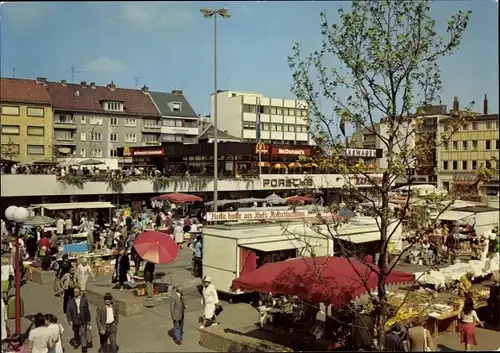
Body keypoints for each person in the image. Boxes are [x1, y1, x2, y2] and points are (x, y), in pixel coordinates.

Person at [66, 286, 91, 352]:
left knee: (83, 333)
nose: (75, 293)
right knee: (76, 333)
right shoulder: (70, 302)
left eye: (77, 292)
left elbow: (87, 311)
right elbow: (68, 312)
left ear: (80, 292)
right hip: (75, 320)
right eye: (74, 292)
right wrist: (70, 320)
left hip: (82, 319)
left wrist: (88, 320)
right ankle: (76, 342)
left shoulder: (84, 300)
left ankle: (84, 346)